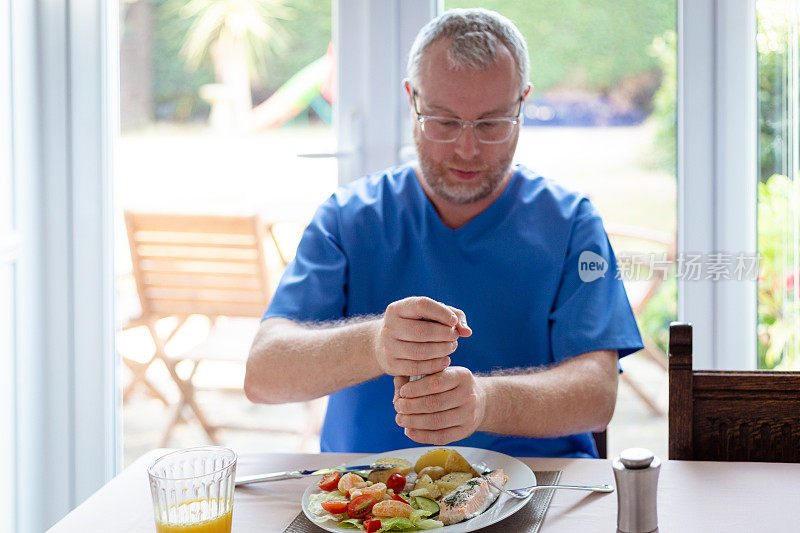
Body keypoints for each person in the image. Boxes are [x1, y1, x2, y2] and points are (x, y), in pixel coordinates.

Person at [244, 8, 643, 458]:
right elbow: (263, 374)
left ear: (523, 103)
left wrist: (487, 403)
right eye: (444, 121)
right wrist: (375, 344)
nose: (467, 149)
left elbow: (597, 395)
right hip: (370, 498)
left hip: (540, 493)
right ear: (411, 98)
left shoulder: (570, 222)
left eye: (492, 123)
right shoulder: (350, 218)